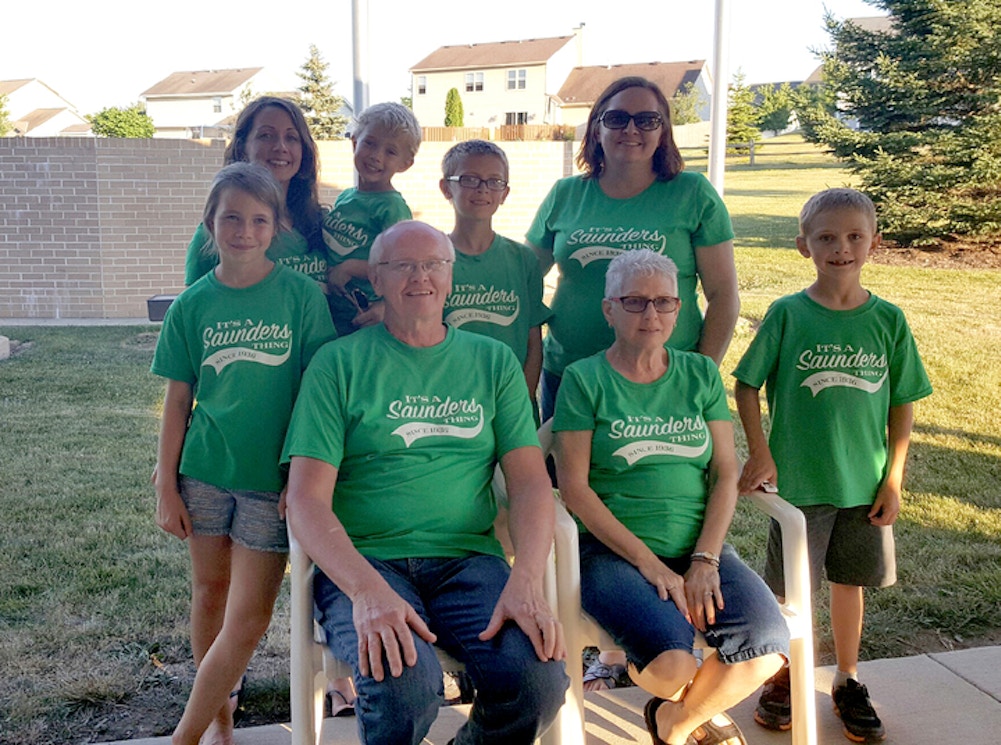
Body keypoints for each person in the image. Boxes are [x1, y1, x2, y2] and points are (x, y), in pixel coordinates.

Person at [282, 220, 568, 745]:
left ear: (451, 275)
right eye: (403, 266)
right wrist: (367, 592)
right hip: (368, 563)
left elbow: (529, 483)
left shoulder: (492, 362)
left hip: (468, 561)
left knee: (538, 679)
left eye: (434, 264)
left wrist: (525, 577)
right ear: (377, 278)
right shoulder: (338, 364)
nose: (421, 277)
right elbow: (304, 498)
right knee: (406, 685)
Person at [553, 249, 788, 745]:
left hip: (698, 547)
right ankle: (689, 704)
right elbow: (574, 488)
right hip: (612, 553)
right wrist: (650, 564)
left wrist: (704, 558)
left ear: (680, 308)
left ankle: (675, 723)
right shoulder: (583, 379)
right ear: (608, 309)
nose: (651, 315)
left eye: (664, 302)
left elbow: (726, 472)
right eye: (635, 302)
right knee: (672, 666)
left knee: (766, 651)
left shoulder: (699, 375)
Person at [733, 188, 932, 743]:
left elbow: (903, 402)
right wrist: (762, 450)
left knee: (849, 583)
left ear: (873, 242)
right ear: (804, 246)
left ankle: (847, 679)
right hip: (798, 484)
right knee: (792, 591)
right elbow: (746, 384)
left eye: (852, 237)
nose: (839, 248)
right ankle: (784, 673)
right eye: (825, 238)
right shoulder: (788, 314)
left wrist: (893, 477)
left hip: (863, 485)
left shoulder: (887, 320)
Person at [152, 162, 336, 745]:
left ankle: (185, 734)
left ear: (276, 226)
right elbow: (178, 400)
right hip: (204, 473)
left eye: (259, 219)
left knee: (251, 616)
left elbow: (317, 390)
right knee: (208, 593)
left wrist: (301, 475)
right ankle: (218, 722)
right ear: (210, 224)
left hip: (270, 479)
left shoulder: (302, 297)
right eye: (231, 217)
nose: (244, 230)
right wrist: (165, 484)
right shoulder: (192, 304)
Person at [526, 75, 739, 425]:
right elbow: (525, 279)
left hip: (661, 376)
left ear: (663, 131)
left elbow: (724, 295)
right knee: (564, 479)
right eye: (616, 118)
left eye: (647, 120)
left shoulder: (693, 194)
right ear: (597, 128)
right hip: (570, 372)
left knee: (651, 479)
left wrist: (701, 374)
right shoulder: (565, 194)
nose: (631, 129)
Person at [439, 139, 550, 419]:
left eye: (494, 181)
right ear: (446, 187)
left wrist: (523, 397)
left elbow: (533, 340)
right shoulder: (432, 259)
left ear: (505, 193)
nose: (482, 189)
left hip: (512, 402)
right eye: (469, 179)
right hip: (452, 404)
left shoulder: (523, 260)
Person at [184, 96, 328, 290]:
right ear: (243, 147)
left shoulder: (321, 222)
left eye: (292, 138)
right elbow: (197, 308)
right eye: (266, 136)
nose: (281, 147)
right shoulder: (215, 233)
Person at [322, 102, 421, 336]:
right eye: (370, 143)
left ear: (405, 164)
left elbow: (402, 265)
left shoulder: (392, 208)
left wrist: (350, 268)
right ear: (355, 142)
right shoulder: (346, 197)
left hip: (364, 316)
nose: (376, 156)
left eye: (390, 152)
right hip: (331, 311)